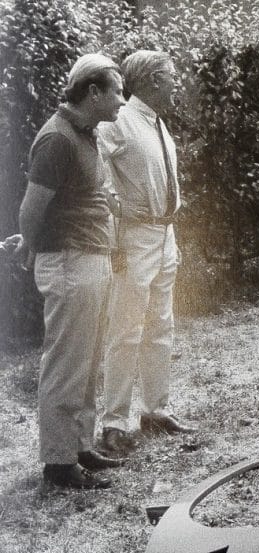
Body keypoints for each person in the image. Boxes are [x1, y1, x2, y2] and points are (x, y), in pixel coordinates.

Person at [9, 54, 128, 489]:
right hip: (70, 263)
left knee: (88, 359)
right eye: (116, 91)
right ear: (92, 92)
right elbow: (31, 209)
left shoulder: (86, 134)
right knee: (66, 363)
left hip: (90, 260)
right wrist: (32, 246)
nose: (122, 100)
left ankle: (79, 447)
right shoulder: (57, 139)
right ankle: (58, 464)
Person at [97, 50, 193, 455]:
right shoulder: (118, 120)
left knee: (161, 326)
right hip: (134, 239)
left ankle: (155, 410)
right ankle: (114, 423)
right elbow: (96, 173)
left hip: (163, 235)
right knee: (125, 331)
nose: (177, 83)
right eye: (172, 77)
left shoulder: (157, 123)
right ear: (153, 80)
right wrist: (117, 212)